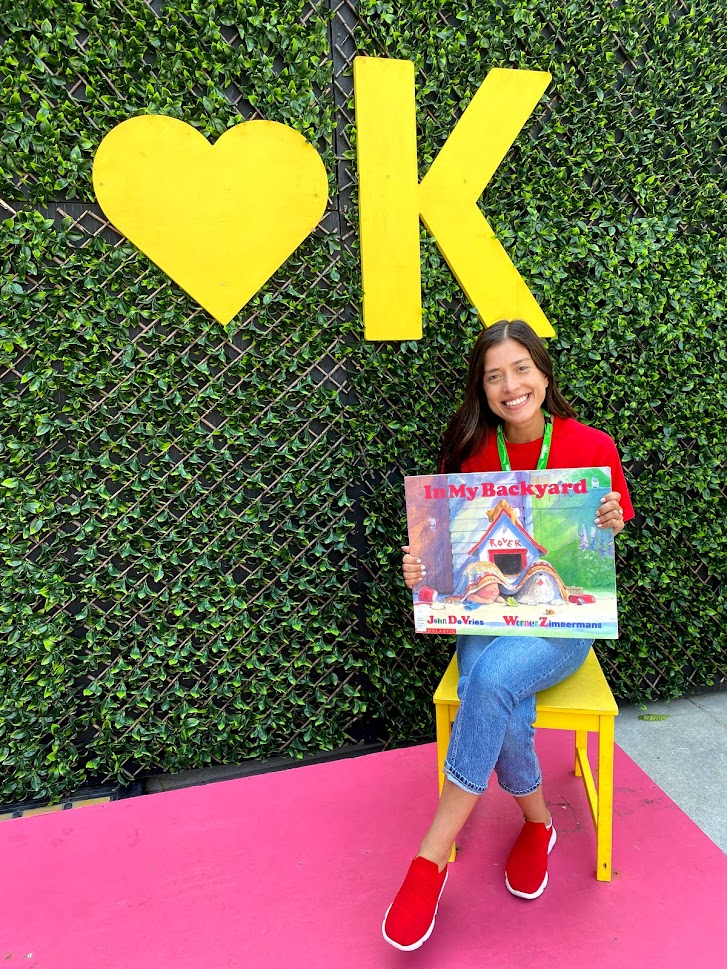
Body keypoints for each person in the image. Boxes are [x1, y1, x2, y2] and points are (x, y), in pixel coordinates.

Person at [382, 319, 634, 952]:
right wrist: (419, 566)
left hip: (561, 623)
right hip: (484, 613)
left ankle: (430, 857)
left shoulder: (591, 444)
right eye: (494, 376)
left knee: (488, 681)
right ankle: (538, 822)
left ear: (544, 373)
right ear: (483, 389)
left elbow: (605, 537)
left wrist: (608, 520)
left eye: (521, 368)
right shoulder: (469, 452)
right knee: (492, 689)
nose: (510, 385)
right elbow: (439, 556)